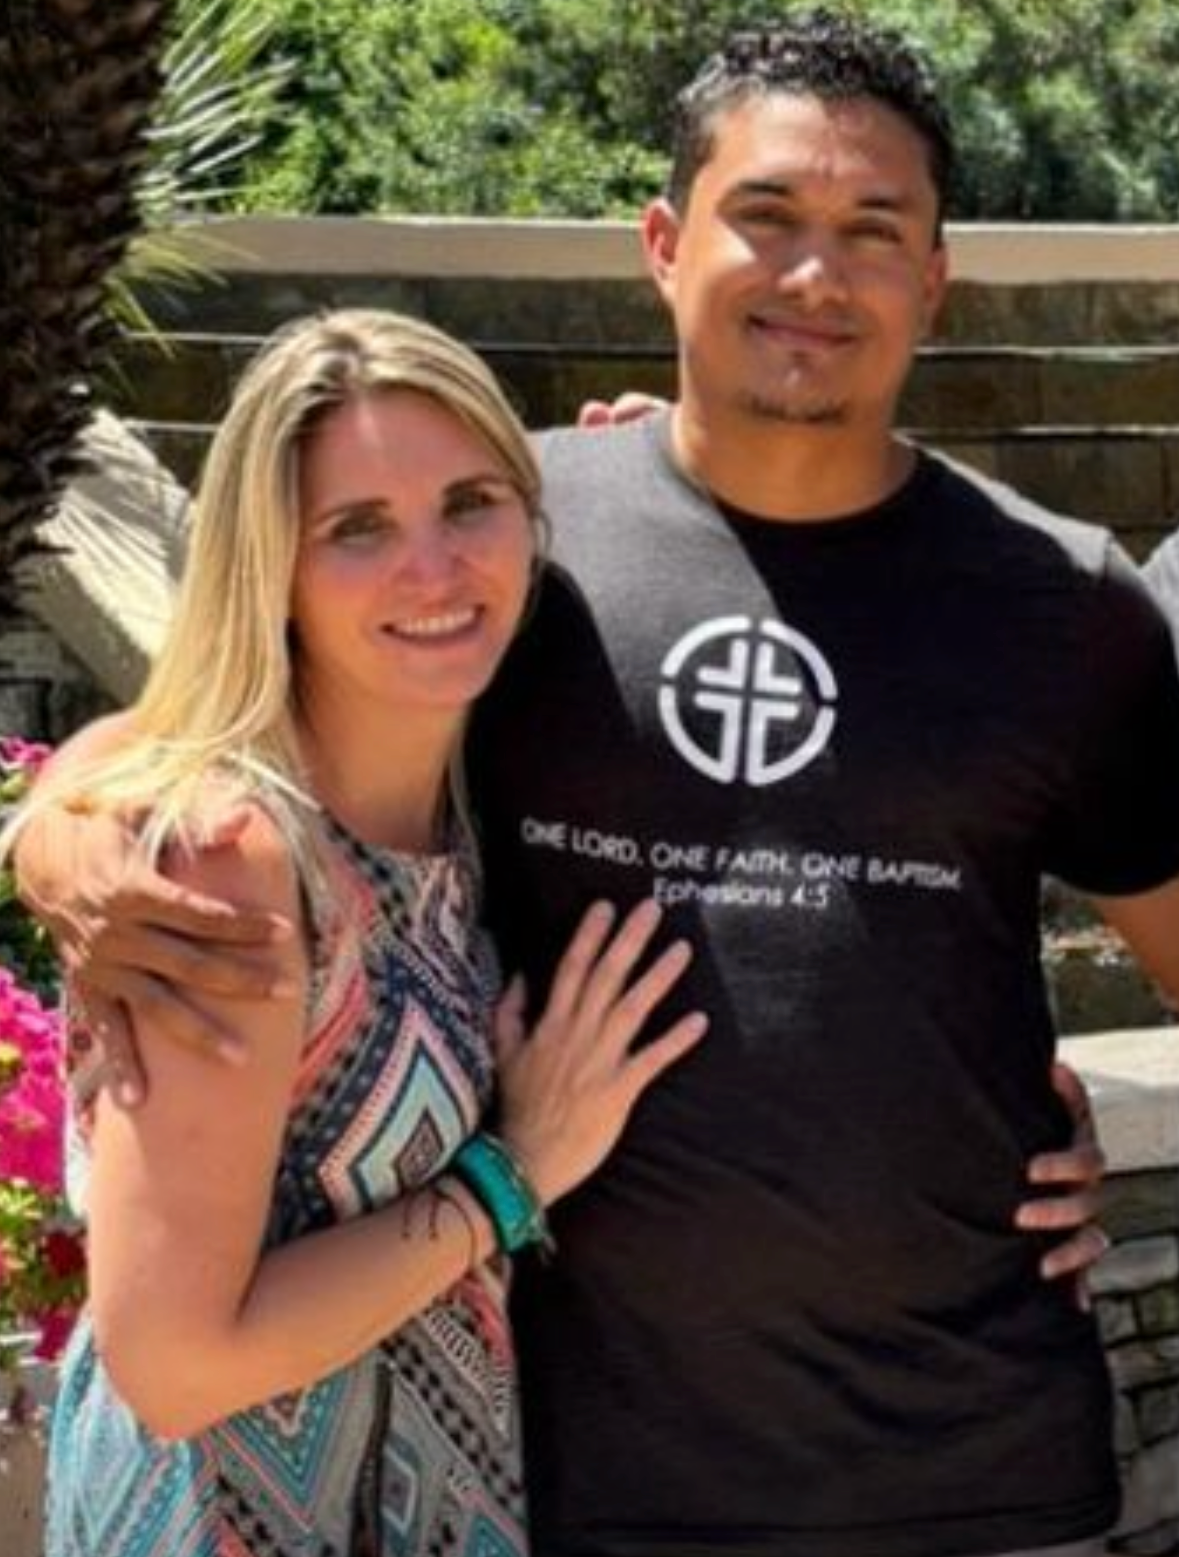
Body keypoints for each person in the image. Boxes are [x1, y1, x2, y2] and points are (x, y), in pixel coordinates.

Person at [12, 12, 1161, 1557]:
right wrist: (61, 832)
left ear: (934, 277)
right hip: (578, 1480)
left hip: (976, 1473)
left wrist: (1069, 1143)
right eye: (765, 214)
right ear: (662, 245)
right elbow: (207, 719)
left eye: (871, 230)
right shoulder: (506, 537)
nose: (812, 274)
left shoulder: (1066, 606)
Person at [4, 309, 708, 1556]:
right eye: (357, 528)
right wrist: (513, 1174)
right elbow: (174, 1368)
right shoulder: (232, 865)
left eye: (471, 503)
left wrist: (667, 481)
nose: (433, 569)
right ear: (269, 564)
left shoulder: (461, 798)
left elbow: (119, 745)